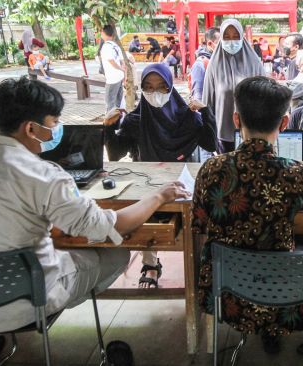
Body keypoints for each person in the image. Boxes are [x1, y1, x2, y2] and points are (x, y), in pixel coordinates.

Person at [0, 77, 190, 360]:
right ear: (31, 128)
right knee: (116, 254)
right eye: (53, 124)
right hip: (30, 302)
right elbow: (107, 227)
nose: (55, 130)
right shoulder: (44, 176)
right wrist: (159, 197)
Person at [193, 76, 303, 355]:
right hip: (283, 298)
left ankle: (262, 331)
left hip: (226, 294)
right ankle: (274, 329)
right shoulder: (297, 173)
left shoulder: (210, 169)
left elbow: (199, 224)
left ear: (235, 119)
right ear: (284, 123)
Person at [104, 64, 217, 287]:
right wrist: (109, 127)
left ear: (171, 87)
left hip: (183, 181)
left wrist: (205, 112)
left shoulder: (188, 117)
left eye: (162, 87)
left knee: (199, 217)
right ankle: (151, 263)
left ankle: (201, 265)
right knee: (146, 213)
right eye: (148, 87)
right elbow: (116, 154)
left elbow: (210, 142)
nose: (155, 93)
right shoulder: (135, 121)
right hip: (148, 182)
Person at [202, 18, 264, 154]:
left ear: (242, 37)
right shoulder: (214, 65)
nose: (231, 41)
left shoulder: (254, 64)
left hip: (251, 133)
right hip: (223, 135)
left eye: (236, 36)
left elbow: (264, 97)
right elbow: (207, 102)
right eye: (227, 37)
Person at [189, 27, 220, 101]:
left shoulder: (220, 60)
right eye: (221, 43)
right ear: (209, 43)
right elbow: (198, 96)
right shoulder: (200, 65)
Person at [100, 25, 126, 113]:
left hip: (112, 79)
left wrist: (120, 69)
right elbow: (123, 62)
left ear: (103, 33)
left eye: (102, 32)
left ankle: (111, 124)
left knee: (110, 104)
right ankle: (118, 122)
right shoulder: (116, 46)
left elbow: (111, 61)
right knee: (117, 103)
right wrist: (123, 73)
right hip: (119, 77)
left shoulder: (106, 47)